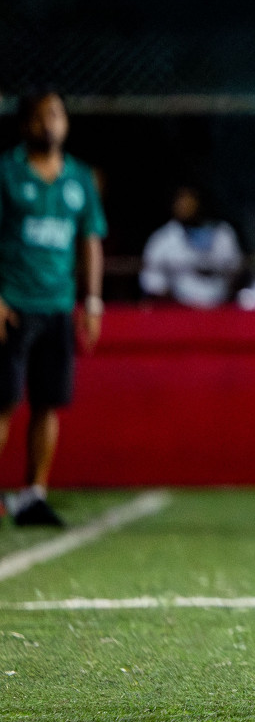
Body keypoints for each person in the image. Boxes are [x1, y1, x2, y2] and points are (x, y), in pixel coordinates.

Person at [0, 92, 108, 527]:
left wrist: (93, 300)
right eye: (41, 116)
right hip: (13, 305)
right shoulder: (6, 172)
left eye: (57, 115)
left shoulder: (79, 178)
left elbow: (91, 239)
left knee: (49, 403)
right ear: (25, 125)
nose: (50, 123)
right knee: (2, 401)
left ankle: (33, 495)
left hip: (58, 306)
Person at [139, 185, 245, 307]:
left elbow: (236, 271)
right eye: (181, 199)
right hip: (178, 312)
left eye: (190, 198)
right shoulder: (162, 239)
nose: (186, 204)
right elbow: (152, 282)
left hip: (220, 309)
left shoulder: (222, 233)